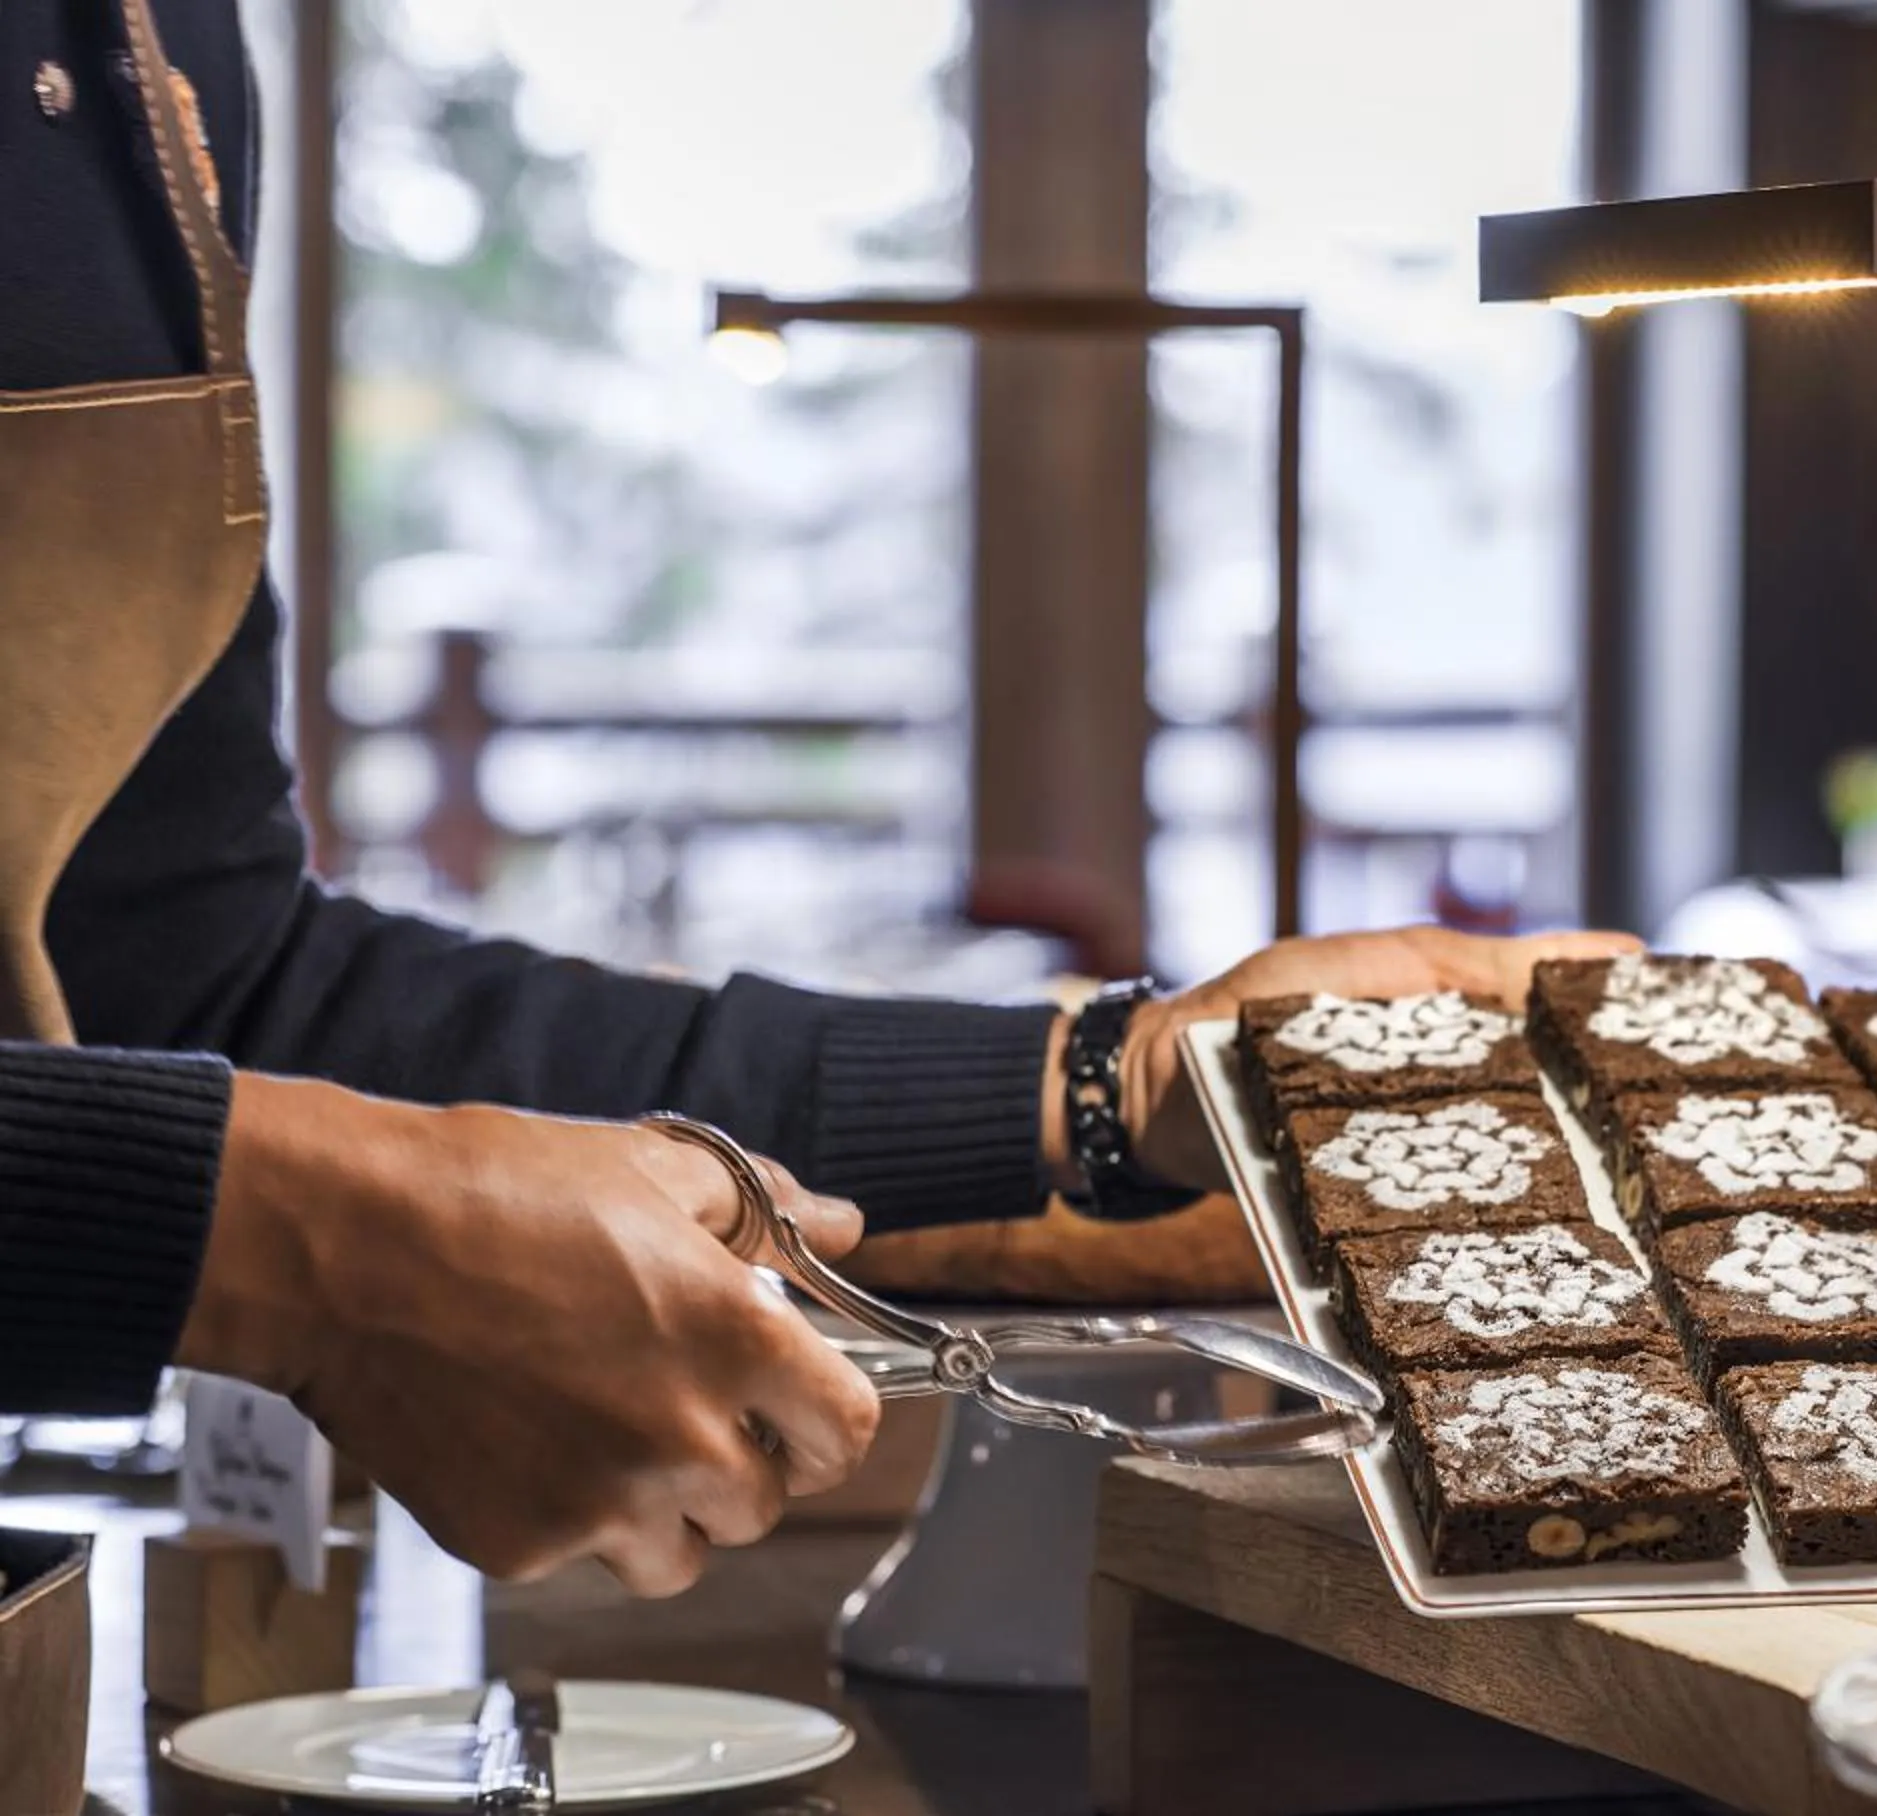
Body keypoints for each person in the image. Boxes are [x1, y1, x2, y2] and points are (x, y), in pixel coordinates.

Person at [0, 0, 1626, 1597]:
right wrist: (307, 1246)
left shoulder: (157, 56)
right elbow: (239, 1134)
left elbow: (201, 996)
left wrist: (1107, 1082)